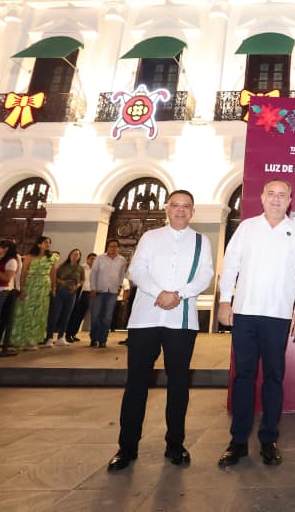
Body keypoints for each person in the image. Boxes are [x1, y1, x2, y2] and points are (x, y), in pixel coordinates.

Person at [107, 191, 215, 472]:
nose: (180, 210)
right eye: (175, 205)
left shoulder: (201, 241)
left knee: (178, 384)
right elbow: (137, 269)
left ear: (193, 212)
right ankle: (127, 447)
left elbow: (205, 274)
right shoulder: (150, 237)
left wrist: (179, 294)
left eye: (186, 206)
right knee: (136, 383)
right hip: (146, 318)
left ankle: (175, 445)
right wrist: (160, 293)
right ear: (167, 209)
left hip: (181, 321)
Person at [216, 179, 295, 468]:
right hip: (245, 313)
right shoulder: (247, 228)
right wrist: (224, 301)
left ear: (290, 200)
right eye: (271, 194)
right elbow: (230, 265)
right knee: (243, 377)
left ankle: (269, 440)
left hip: (278, 316)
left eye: (282, 195)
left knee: (273, 378)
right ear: (262, 197)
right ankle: (238, 441)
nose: (276, 199)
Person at [9, 236, 56, 350]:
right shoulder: (30, 256)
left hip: (44, 286)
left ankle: (33, 340)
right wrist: (22, 288)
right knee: (25, 311)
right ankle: (19, 340)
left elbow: (53, 273)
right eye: (45, 242)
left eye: (49, 242)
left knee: (39, 313)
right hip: (31, 284)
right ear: (39, 244)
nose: (48, 244)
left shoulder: (52, 257)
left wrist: (53, 288)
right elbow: (24, 272)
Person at [89, 240, 127, 348]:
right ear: (107, 247)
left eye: (115, 246)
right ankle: (94, 338)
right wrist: (93, 288)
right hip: (99, 291)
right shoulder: (99, 258)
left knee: (107, 317)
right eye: (111, 246)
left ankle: (103, 340)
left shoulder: (122, 260)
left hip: (113, 292)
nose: (113, 248)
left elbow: (122, 274)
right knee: (95, 316)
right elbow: (93, 273)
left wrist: (120, 286)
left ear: (118, 248)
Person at [46, 249, 84, 347]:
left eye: (77, 254)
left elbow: (82, 280)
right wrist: (61, 282)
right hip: (60, 291)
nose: (75, 256)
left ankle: (60, 337)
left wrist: (76, 286)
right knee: (55, 315)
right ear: (70, 255)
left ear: (79, 257)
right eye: (73, 254)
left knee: (66, 315)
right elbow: (54, 277)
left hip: (72, 293)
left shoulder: (80, 268)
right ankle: (49, 338)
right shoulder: (62, 266)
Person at [66, 252, 95, 343]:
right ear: (87, 259)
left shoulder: (95, 270)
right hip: (79, 292)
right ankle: (68, 334)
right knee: (74, 314)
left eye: (95, 259)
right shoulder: (81, 267)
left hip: (88, 293)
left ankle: (74, 333)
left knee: (81, 315)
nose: (93, 261)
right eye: (92, 258)